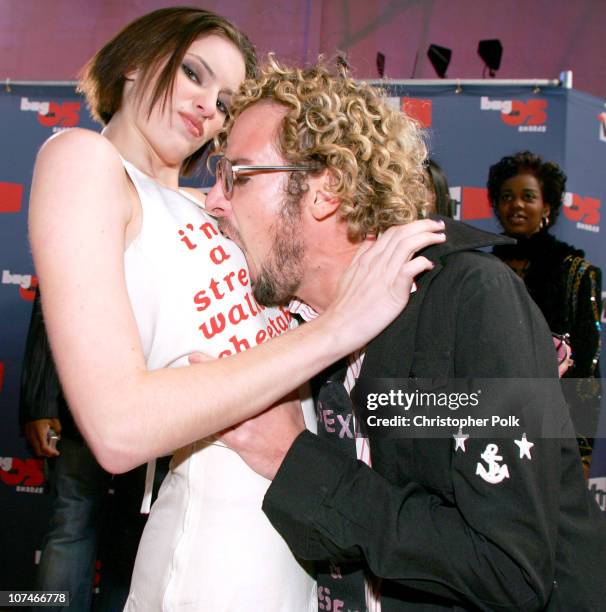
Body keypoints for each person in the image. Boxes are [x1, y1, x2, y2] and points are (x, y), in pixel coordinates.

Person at [28, 8, 445, 611]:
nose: (207, 106)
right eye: (193, 74)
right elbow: (118, 427)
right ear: (136, 65)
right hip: (219, 549)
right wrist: (335, 329)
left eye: (226, 101)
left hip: (313, 528)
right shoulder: (85, 163)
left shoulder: (219, 203)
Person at [204, 57, 606, 611]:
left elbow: (508, 571)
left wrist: (292, 459)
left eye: (237, 176)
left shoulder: (470, 300)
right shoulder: (299, 332)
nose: (213, 201)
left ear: (325, 189)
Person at [20, 288, 168, 611]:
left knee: (110, 530)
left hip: (143, 400)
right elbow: (53, 295)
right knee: (81, 523)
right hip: (106, 397)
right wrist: (40, 402)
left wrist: (40, 402)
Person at [488, 151, 602, 474]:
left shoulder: (576, 273)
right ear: (496, 206)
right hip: (491, 427)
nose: (517, 205)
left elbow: (586, 374)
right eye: (507, 197)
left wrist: (580, 452)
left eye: (528, 197)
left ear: (547, 207)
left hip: (553, 433)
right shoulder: (479, 269)